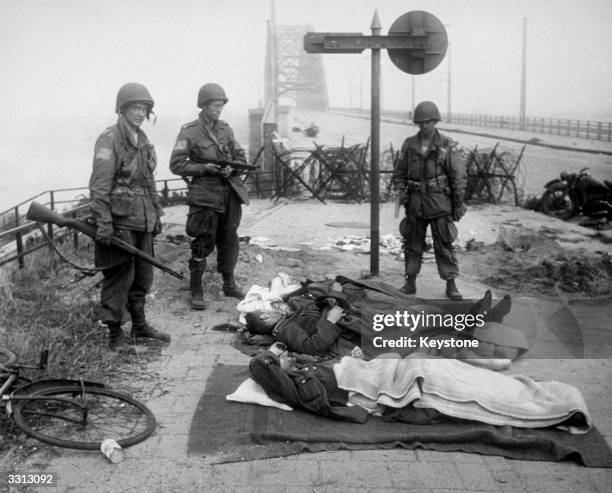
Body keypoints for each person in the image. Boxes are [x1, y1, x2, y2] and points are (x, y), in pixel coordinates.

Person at [89, 82, 171, 353]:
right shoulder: (110, 138)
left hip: (143, 218)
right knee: (119, 276)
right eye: (136, 107)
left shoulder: (143, 139)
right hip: (120, 219)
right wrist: (104, 221)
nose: (140, 113)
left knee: (143, 276)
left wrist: (156, 214)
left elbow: (149, 181)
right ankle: (114, 334)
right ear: (122, 109)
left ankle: (139, 325)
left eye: (144, 109)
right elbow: (100, 185)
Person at [169, 83, 249, 310]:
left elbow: (240, 157)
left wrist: (232, 169)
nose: (219, 109)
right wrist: (205, 169)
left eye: (221, 105)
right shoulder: (189, 131)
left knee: (229, 238)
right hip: (205, 195)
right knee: (202, 241)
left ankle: (229, 284)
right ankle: (196, 290)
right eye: (215, 105)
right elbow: (177, 164)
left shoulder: (226, 129)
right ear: (204, 106)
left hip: (228, 194)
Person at [392, 101, 467, 300]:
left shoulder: (446, 145)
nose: (424, 126)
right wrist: (400, 189)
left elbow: (458, 176)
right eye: (421, 123)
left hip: (440, 202)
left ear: (435, 121)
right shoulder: (409, 145)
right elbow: (398, 173)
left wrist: (458, 204)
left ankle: (451, 284)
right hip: (415, 203)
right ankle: (410, 282)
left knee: (444, 244)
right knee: (412, 244)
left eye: (428, 122)